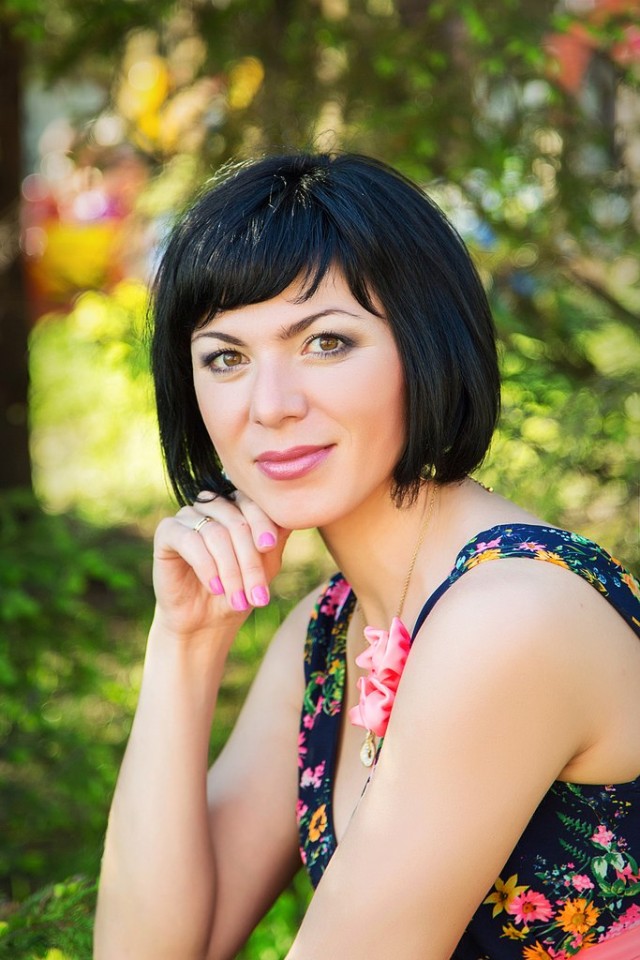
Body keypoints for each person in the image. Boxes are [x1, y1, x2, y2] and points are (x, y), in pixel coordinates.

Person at [94, 152, 640, 960]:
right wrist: (185, 644)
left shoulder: (513, 618)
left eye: (326, 342)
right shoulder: (325, 635)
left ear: (426, 345)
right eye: (226, 357)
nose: (270, 406)